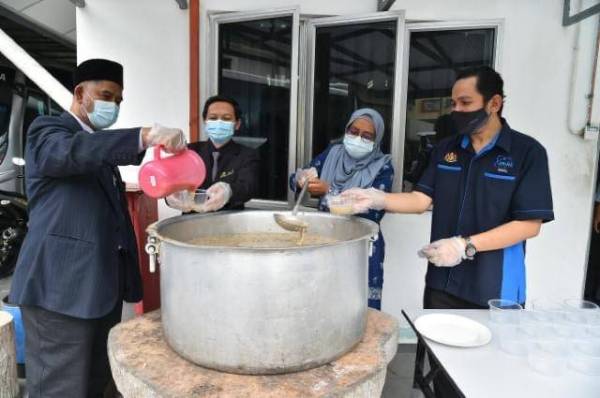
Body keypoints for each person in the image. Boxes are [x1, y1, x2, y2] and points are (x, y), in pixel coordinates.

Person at [343, 67, 554, 396]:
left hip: (495, 287)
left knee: (487, 375)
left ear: (494, 102)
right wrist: (377, 197)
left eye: (465, 102)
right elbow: (420, 199)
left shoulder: (527, 153)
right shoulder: (447, 149)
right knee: (443, 372)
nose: (456, 111)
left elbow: (529, 224)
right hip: (443, 281)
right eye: (453, 103)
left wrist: (464, 246)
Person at [8, 58, 185, 398]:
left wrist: (172, 192)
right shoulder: (48, 132)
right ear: (80, 93)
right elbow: (70, 154)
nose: (113, 105)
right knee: (59, 388)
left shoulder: (98, 152)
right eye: (106, 95)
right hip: (58, 292)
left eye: (119, 100)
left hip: (99, 291)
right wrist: (143, 136)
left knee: (96, 383)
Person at [290, 108, 394, 309]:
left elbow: (371, 210)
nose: (357, 138)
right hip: (325, 237)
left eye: (366, 136)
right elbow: (294, 180)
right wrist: (302, 178)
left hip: (362, 244)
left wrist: (331, 190)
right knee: (321, 297)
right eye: (353, 132)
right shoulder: (332, 153)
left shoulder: (383, 166)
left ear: (377, 139)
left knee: (358, 304)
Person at [167, 95, 259, 212]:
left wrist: (229, 191)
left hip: (229, 222)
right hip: (191, 222)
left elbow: (249, 187)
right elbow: (171, 183)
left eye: (226, 118)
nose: (219, 122)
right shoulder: (189, 151)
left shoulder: (247, 155)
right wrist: (170, 195)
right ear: (205, 122)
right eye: (213, 118)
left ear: (237, 124)